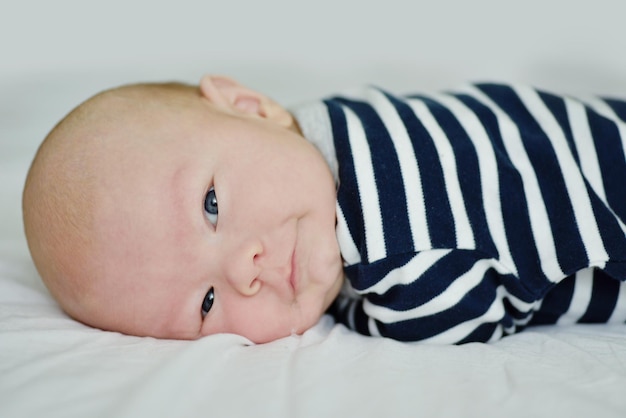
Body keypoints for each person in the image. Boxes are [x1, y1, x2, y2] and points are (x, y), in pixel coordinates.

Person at [22, 75, 626, 344]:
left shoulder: (395, 243)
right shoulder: (333, 122)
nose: (243, 270)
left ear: (249, 105)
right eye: (206, 303)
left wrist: (364, 317)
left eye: (211, 205)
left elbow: (461, 315)